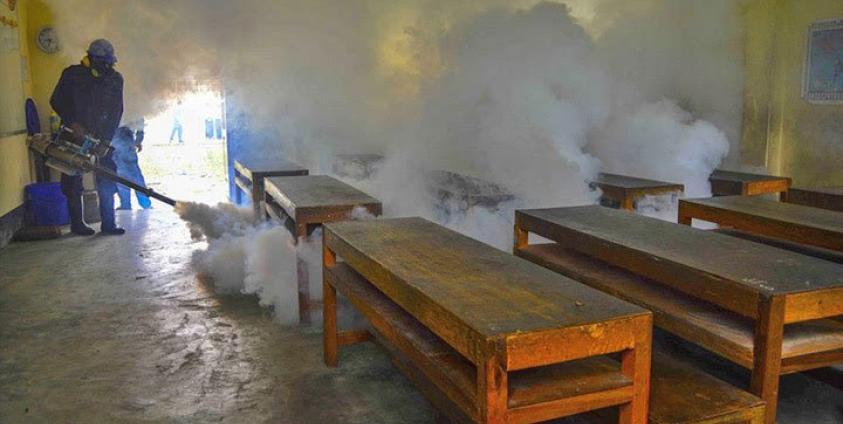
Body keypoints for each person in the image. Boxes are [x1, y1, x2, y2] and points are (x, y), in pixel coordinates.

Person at [50, 39, 125, 236]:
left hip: (102, 136)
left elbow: (117, 111)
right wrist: (72, 122)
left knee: (107, 176)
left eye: (109, 63)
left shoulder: (115, 79)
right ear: (91, 58)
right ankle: (78, 224)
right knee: (73, 179)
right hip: (74, 135)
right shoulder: (72, 75)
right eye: (103, 63)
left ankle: (108, 223)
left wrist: (106, 140)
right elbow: (56, 100)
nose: (107, 67)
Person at [112, 126, 152, 210]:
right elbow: (140, 123)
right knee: (136, 174)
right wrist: (138, 140)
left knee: (121, 175)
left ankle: (125, 204)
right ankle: (145, 203)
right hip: (129, 139)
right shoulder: (133, 114)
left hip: (116, 137)